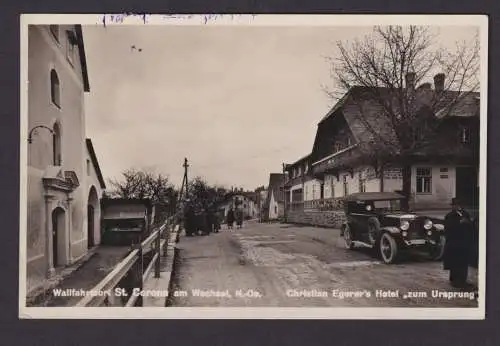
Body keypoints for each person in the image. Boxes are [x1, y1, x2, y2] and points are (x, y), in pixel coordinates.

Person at [443, 198, 475, 289]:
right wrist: (459, 223)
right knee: (455, 262)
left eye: (457, 205)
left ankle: (463, 280)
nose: (456, 207)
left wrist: (467, 223)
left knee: (463, 263)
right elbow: (448, 228)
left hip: (463, 243)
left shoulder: (465, 214)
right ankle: (454, 280)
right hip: (454, 243)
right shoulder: (449, 215)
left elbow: (471, 226)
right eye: (454, 205)